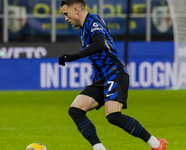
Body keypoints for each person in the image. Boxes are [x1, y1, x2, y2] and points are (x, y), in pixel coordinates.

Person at [59, 0, 167, 150]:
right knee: (75, 110)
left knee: (113, 116)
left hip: (114, 72)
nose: (65, 18)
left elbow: (99, 44)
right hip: (100, 78)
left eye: (66, 14)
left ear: (76, 9)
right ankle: (99, 148)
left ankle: (156, 144)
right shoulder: (82, 30)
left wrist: (72, 57)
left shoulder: (93, 21)